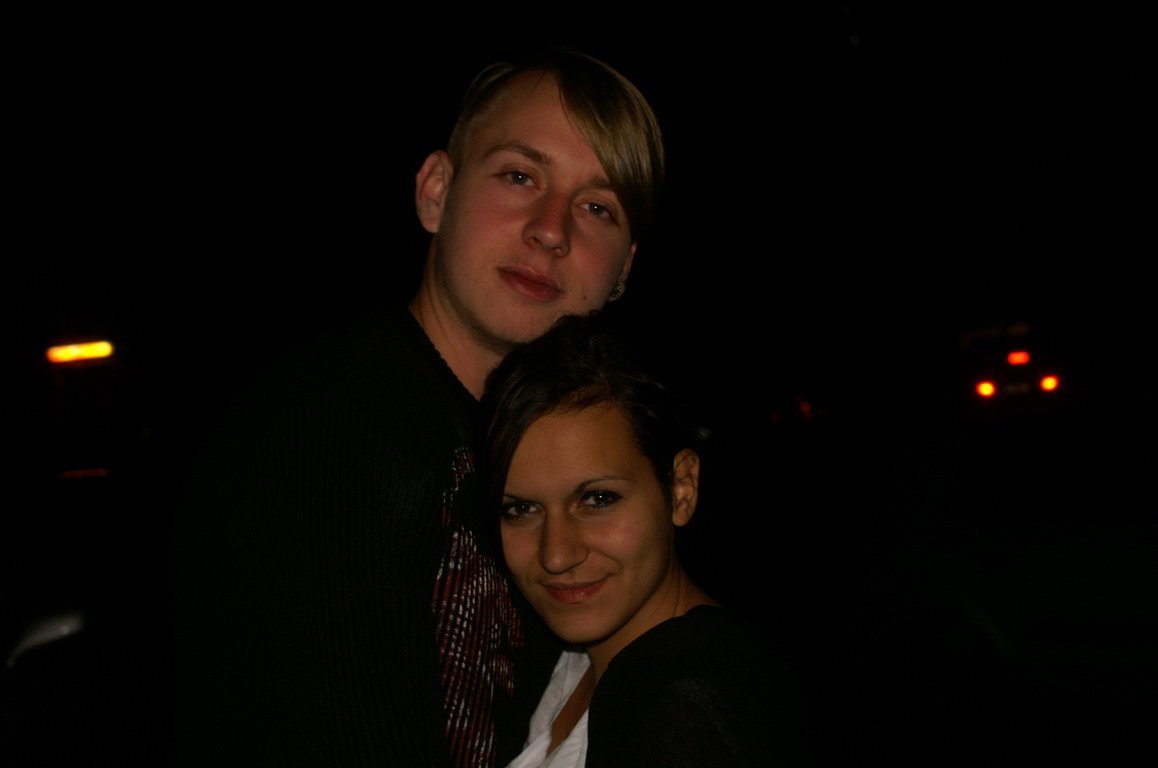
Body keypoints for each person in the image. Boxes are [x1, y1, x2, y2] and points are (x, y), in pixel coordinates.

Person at [168, 45, 666, 768]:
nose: (552, 229)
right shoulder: (337, 432)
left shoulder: (539, 454)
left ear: (623, 270)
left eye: (597, 207)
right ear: (436, 191)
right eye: (519, 176)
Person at [476, 312, 812, 767]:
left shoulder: (685, 711)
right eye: (521, 509)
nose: (556, 554)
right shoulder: (565, 659)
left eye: (597, 499)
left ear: (681, 488)